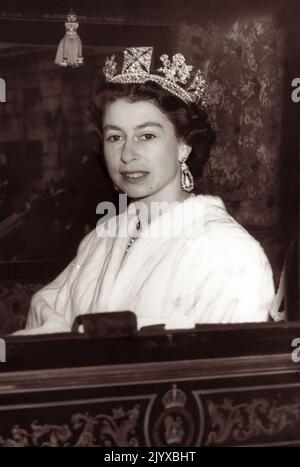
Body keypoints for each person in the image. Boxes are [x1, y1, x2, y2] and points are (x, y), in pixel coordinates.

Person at [15, 47, 275, 335]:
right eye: (115, 137)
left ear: (183, 145)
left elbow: (220, 370)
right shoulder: (102, 237)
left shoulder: (228, 251)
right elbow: (47, 309)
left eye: (147, 135)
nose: (126, 154)